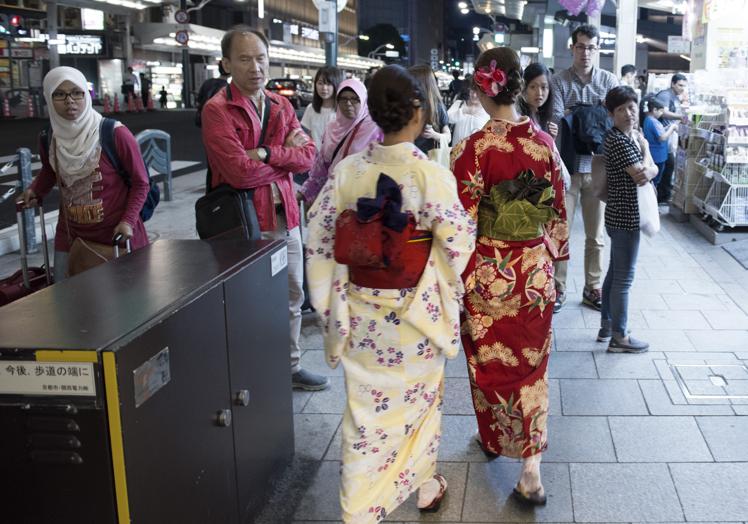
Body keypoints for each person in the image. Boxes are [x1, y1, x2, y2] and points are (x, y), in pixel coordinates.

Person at [306, 64, 475, 522]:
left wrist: (329, 308)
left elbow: (319, 240)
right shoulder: (430, 176)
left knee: (367, 415)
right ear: (418, 112)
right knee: (419, 407)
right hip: (416, 318)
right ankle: (363, 507)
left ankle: (405, 487)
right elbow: (459, 245)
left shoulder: (347, 172)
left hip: (361, 315)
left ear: (375, 114)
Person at [452, 46, 568, 506]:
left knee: (491, 366)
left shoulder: (471, 150)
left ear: (485, 87)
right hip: (533, 274)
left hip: (487, 275)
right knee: (533, 370)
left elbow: (460, 223)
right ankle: (531, 469)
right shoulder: (544, 145)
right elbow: (556, 213)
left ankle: (496, 436)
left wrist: (454, 276)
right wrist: (556, 265)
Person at [200, 26, 328, 391]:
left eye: (260, 58)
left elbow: (307, 159)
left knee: (291, 295)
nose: (255, 67)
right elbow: (239, 173)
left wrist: (268, 153)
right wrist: (279, 159)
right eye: (244, 59)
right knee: (250, 299)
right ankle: (251, 370)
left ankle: (289, 366)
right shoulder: (217, 110)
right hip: (245, 223)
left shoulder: (281, 104)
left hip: (286, 218)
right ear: (226, 63)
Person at [17, 66, 150, 280]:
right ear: (48, 98)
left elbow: (141, 183)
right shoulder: (49, 137)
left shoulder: (114, 133)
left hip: (116, 234)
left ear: (86, 96)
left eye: (77, 92)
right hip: (70, 235)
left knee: (124, 305)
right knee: (65, 300)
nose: (70, 100)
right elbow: (50, 171)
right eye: (59, 94)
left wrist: (128, 220)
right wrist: (35, 190)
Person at [550, 23, 618, 313]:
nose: (586, 52)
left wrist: (574, 112)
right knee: (560, 231)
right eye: (580, 46)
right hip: (566, 168)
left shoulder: (608, 80)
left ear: (598, 48)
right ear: (572, 48)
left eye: (591, 47)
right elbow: (554, 119)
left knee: (596, 235)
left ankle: (593, 288)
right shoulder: (558, 80)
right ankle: (558, 287)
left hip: (598, 168)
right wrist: (594, 112)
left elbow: (613, 121)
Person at [599, 86, 658, 352]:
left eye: (631, 107)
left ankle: (607, 324)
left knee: (615, 272)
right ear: (611, 114)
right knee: (624, 277)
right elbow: (643, 174)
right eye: (620, 109)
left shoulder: (624, 136)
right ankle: (620, 337)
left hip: (618, 215)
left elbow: (648, 171)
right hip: (626, 218)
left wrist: (649, 162)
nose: (628, 113)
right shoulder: (621, 141)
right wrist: (647, 151)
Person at [298, 78, 381, 205]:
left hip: (362, 202)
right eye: (343, 99)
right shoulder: (332, 127)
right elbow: (321, 169)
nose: (348, 103)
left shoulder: (375, 129)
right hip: (333, 198)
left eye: (354, 99)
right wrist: (303, 193)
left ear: (364, 100)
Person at [654, 73, 688, 204]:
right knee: (667, 166)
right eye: (680, 85)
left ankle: (664, 194)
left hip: (668, 137)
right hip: (662, 137)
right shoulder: (665, 95)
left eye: (684, 86)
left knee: (669, 166)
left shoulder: (675, 97)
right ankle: (662, 195)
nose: (682, 88)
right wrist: (680, 117)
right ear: (672, 83)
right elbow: (664, 112)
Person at [409, 64, 451, 154]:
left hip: (430, 157)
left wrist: (434, 134)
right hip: (408, 156)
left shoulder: (437, 106)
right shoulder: (407, 103)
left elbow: (448, 137)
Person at [640, 96, 677, 194]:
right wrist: (672, 128)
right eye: (661, 111)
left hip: (654, 155)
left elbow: (658, 133)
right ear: (654, 110)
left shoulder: (647, 119)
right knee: (655, 181)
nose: (662, 114)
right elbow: (662, 138)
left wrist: (667, 128)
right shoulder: (653, 121)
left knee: (653, 181)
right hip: (658, 156)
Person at [300, 66, 343, 149]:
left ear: (336, 85)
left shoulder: (342, 111)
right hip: (315, 158)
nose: (324, 88)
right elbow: (307, 136)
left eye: (329, 84)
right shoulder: (311, 108)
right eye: (320, 83)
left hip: (336, 159)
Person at [518, 63, 558, 140]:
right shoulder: (520, 119)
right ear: (524, 88)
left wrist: (550, 139)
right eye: (533, 87)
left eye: (543, 87)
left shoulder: (540, 116)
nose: (539, 93)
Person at [447, 75, 490, 145]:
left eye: (478, 93)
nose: (474, 95)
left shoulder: (487, 110)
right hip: (456, 152)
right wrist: (464, 111)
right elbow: (447, 118)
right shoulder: (459, 104)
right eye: (472, 91)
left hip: (476, 153)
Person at [195, 61, 230, 128]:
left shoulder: (207, 82)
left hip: (204, 118)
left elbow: (199, 101)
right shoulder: (228, 88)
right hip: (218, 121)